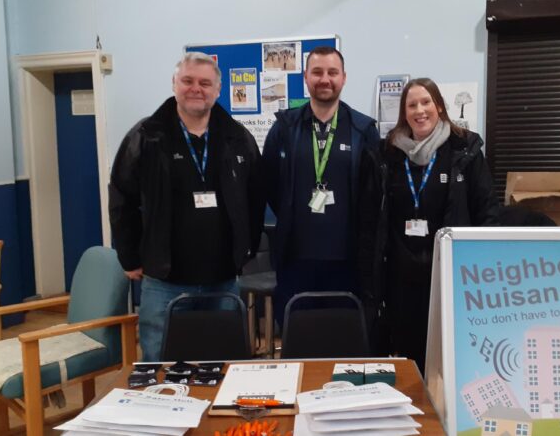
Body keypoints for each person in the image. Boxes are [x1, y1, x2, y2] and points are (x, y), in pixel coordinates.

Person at [109, 52, 264, 361]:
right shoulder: (146, 136)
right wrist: (128, 257)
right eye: (188, 81)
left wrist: (246, 251)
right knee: (161, 363)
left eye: (205, 83)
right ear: (174, 84)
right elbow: (121, 198)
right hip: (165, 281)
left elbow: (255, 197)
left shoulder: (238, 138)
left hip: (222, 279)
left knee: (222, 363)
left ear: (218, 89)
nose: (196, 89)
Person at [358, 77, 499, 371]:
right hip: (400, 276)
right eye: (412, 105)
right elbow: (373, 216)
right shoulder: (389, 155)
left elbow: (486, 209)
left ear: (439, 106)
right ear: (404, 113)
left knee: (447, 354)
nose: (419, 110)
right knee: (408, 355)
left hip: (448, 274)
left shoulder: (464, 151)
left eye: (426, 103)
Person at [262, 46, 380, 325]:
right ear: (306, 77)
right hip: (296, 259)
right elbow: (268, 182)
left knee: (342, 342)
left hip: (348, 261)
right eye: (317, 72)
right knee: (298, 340)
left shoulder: (364, 130)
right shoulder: (285, 128)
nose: (324, 79)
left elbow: (373, 193)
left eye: (332, 72)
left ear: (344, 78)